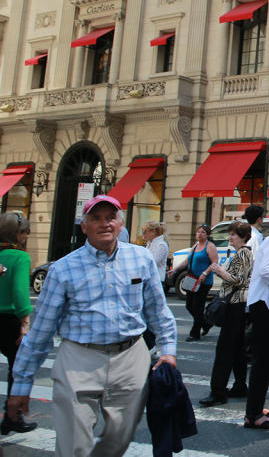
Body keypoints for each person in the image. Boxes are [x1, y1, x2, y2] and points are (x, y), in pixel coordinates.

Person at [8, 195, 177, 455]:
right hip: (79, 358)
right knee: (74, 443)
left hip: (130, 356)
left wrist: (167, 350)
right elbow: (41, 332)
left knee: (119, 438)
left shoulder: (141, 259)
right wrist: (21, 385)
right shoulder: (63, 269)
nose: (104, 224)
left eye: (111, 217)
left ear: (121, 224)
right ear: (84, 226)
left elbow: (158, 311)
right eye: (95, 218)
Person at [199, 221, 254, 406]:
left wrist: (219, 271)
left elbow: (238, 280)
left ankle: (218, 391)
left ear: (243, 237)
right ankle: (239, 385)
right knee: (237, 348)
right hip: (236, 305)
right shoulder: (239, 253)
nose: (230, 237)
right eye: (230, 234)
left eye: (233, 235)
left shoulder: (244, 253)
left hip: (234, 305)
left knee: (224, 349)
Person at [0, 212, 36, 435]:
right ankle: (12, 416)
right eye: (24, 233)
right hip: (9, 321)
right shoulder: (20, 257)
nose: (25, 237)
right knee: (18, 369)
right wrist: (25, 321)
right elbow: (21, 293)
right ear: (16, 234)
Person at [244, 231, 269, 429]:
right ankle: (253, 414)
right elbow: (267, 270)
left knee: (266, 359)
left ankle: (256, 410)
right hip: (265, 303)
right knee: (263, 360)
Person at [168, 224, 217, 341]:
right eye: (198, 232)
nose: (200, 234)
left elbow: (214, 262)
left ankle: (195, 333)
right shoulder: (195, 246)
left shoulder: (210, 246)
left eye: (203, 232)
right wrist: (174, 270)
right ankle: (205, 324)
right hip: (192, 279)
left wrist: (205, 273)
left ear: (207, 235)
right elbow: (186, 261)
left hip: (203, 281)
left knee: (198, 306)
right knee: (189, 305)